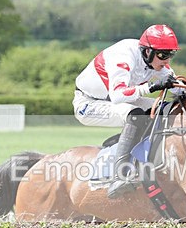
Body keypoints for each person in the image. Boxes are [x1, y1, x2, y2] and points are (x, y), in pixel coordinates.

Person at [73, 24, 179, 198]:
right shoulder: (124, 56)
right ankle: (119, 177)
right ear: (147, 52)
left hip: (120, 100)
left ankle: (150, 157)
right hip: (89, 104)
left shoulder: (155, 60)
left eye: (170, 55)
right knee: (135, 115)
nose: (167, 61)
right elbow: (118, 96)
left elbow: (176, 87)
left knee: (166, 108)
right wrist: (151, 86)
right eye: (163, 55)